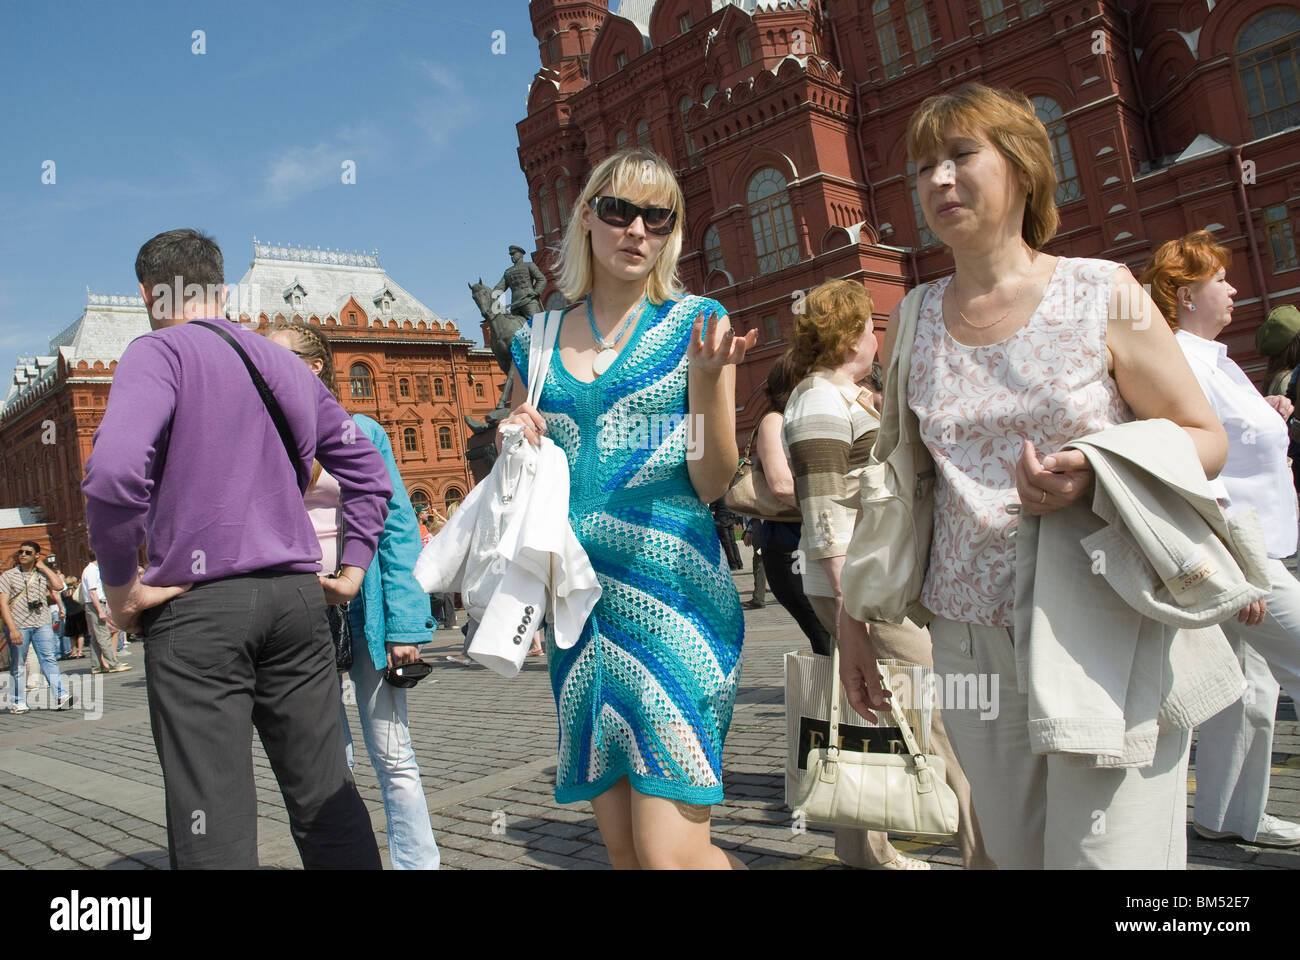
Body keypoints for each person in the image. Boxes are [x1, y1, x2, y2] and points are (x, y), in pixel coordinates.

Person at [841, 83, 1232, 869]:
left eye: (960, 156)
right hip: (966, 637)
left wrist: (1094, 468)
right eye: (924, 167)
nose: (939, 180)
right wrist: (856, 616)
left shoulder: (1104, 293)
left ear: (1021, 169)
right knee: (1014, 854)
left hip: (1098, 617)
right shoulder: (914, 314)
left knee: (1105, 858)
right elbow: (898, 480)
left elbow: (1203, 437)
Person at [82, 228, 388, 869]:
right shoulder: (281, 362)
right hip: (298, 604)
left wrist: (120, 590)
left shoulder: (157, 353)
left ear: (148, 294)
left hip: (197, 613)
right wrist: (353, 566)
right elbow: (367, 472)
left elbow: (112, 476)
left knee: (211, 816)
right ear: (221, 289)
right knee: (326, 799)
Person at [501, 147, 756, 869]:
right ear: (586, 217)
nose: (636, 229)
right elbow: (527, 468)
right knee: (627, 854)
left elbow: (713, 480)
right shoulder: (537, 339)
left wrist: (708, 382)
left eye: (656, 215)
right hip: (578, 609)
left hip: (673, 598)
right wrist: (512, 434)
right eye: (618, 210)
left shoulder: (695, 321)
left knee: (670, 855)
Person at [782, 278, 987, 871]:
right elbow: (823, 513)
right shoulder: (819, 401)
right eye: (870, 328)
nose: (877, 338)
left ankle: (862, 851)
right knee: (941, 719)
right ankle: (985, 855)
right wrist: (852, 612)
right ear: (849, 336)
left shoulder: (841, 397)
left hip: (869, 580)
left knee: (871, 712)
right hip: (861, 585)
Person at [1141, 230, 1300, 847]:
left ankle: (1227, 815)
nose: (1233, 289)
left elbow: (1237, 441)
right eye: (1220, 281)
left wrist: (1272, 415)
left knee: (1248, 692)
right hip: (1244, 554)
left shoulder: (1214, 359)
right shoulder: (1182, 361)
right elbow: (1193, 463)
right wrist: (1234, 567)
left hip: (1264, 547)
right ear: (1185, 295)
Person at [269, 319, 442, 869]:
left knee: (394, 756)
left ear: (312, 365)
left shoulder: (362, 432)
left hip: (365, 609)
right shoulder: (261, 438)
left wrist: (407, 628)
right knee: (326, 762)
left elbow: (396, 532)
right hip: (296, 612)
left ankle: (418, 865)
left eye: (275, 356)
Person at [749, 352, 830, 653]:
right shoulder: (774, 420)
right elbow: (782, 486)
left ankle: (840, 698)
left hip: (812, 544)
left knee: (835, 640)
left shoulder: (802, 420)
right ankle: (830, 700)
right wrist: (830, 505)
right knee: (826, 639)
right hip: (790, 550)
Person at [1, 541, 71, 712]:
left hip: (41, 624)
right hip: (19, 625)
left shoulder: (41, 574)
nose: (23, 555)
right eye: (21, 552)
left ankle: (61, 695)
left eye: (28, 552)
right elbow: (2, 603)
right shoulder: (8, 575)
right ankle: (19, 701)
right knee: (18, 663)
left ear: (36, 556)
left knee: (49, 659)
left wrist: (43, 567)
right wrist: (12, 629)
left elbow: (59, 586)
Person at [79, 552, 130, 675]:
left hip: (95, 604)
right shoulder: (91, 571)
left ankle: (97, 666)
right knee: (103, 635)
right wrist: (100, 610)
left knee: (96, 638)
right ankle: (113, 664)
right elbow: (92, 592)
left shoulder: (91, 569)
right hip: (95, 604)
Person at [58, 578, 87, 660]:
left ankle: (73, 651)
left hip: (70, 614)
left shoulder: (63, 593)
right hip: (80, 613)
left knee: (72, 635)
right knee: (80, 634)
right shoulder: (77, 591)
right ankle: (80, 651)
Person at [741, 517, 765, 609]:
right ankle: (758, 597)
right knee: (759, 559)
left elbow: (753, 511)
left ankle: (758, 599)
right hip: (760, 522)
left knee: (759, 561)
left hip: (760, 523)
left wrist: (749, 530)